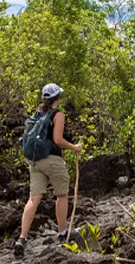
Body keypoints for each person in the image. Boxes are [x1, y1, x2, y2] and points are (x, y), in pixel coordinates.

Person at [14, 83, 82, 256]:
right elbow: (58, 140)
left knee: (34, 198)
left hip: (35, 161)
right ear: (57, 97)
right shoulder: (57, 114)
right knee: (62, 194)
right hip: (51, 159)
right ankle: (62, 233)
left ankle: (22, 238)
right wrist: (75, 147)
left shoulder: (37, 113)